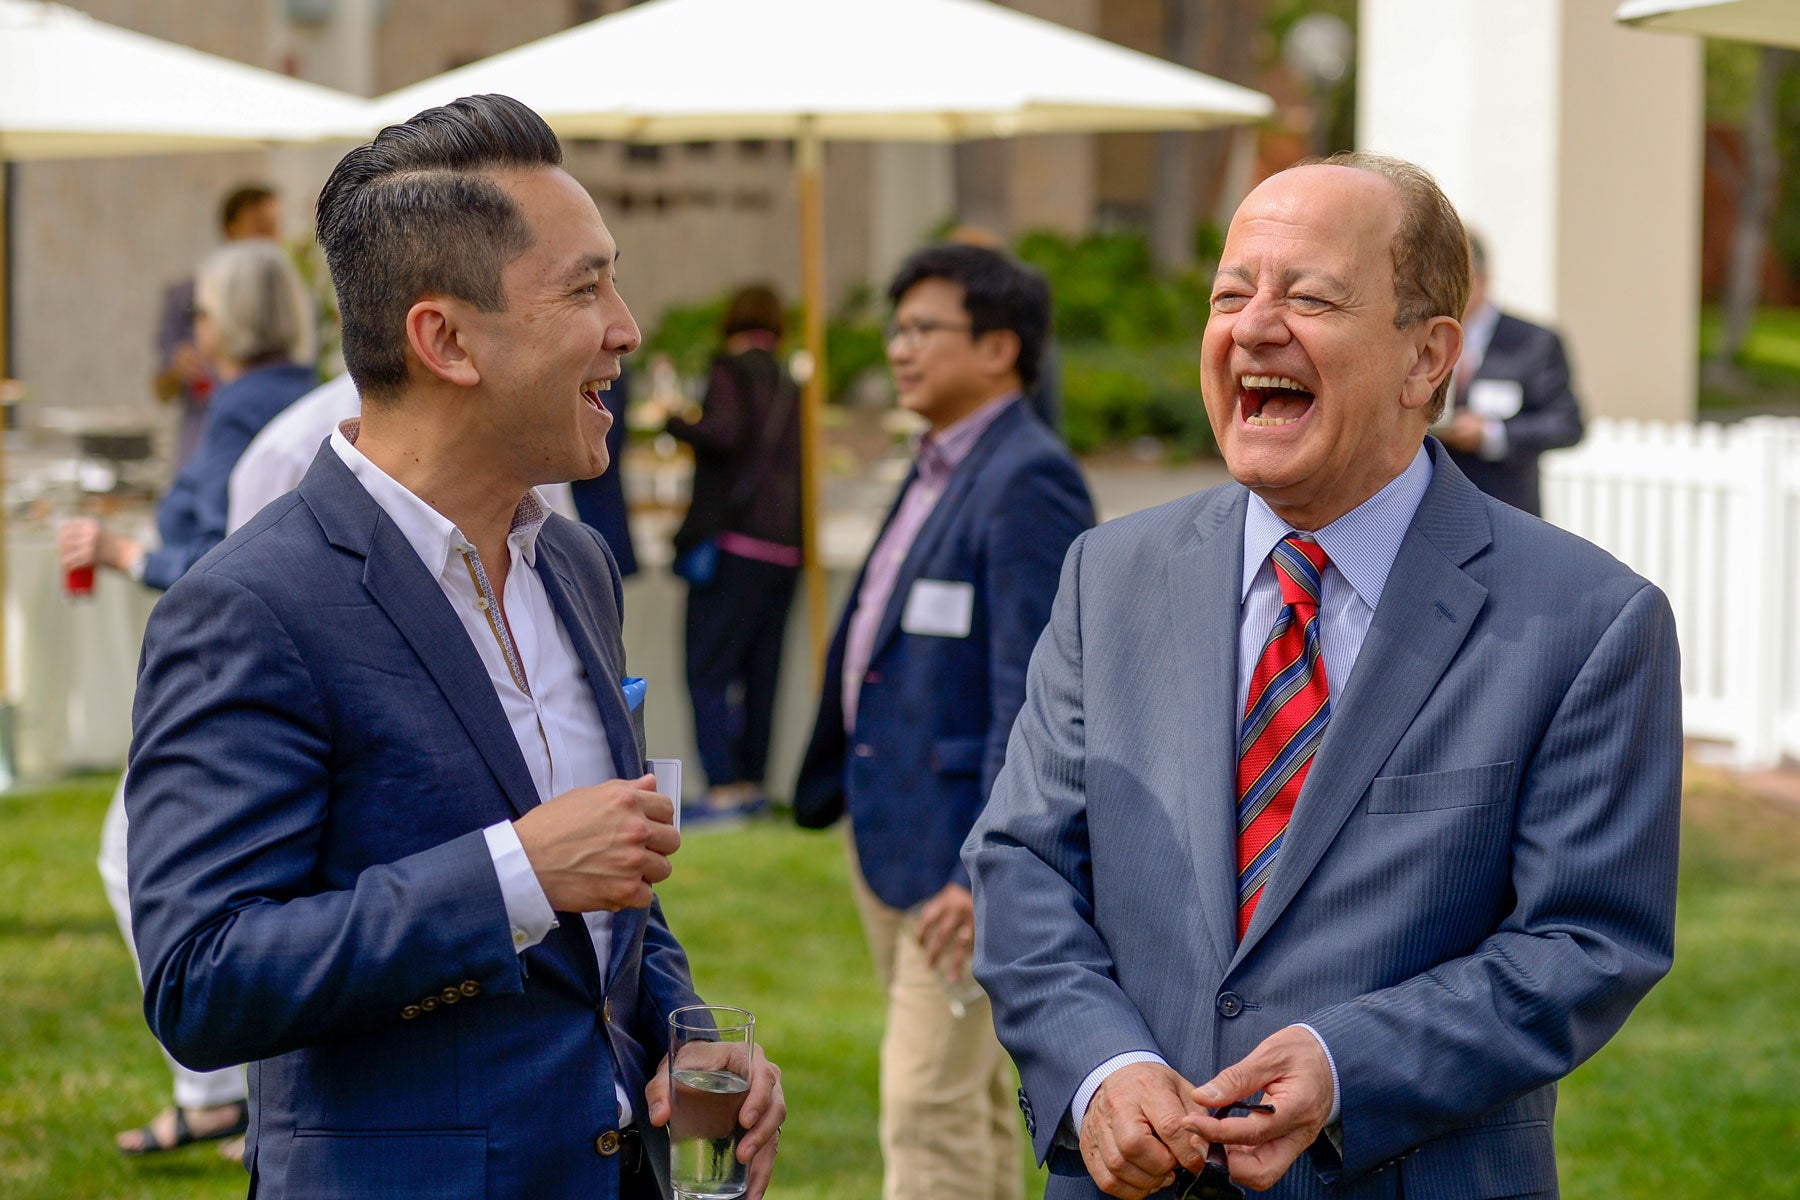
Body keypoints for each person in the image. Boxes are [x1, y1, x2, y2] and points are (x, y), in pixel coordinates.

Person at [964, 154, 1682, 1200]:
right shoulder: (1106, 575)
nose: (1254, 327)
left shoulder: (1586, 621)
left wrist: (1349, 1064)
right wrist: (1103, 1067)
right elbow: (1023, 864)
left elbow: (1585, 941)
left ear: (1427, 357)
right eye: (1229, 293)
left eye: (1308, 296)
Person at [123, 94, 784, 1199]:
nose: (627, 327)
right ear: (445, 339)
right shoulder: (248, 606)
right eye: (585, 287)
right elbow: (202, 981)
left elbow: (608, 889)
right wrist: (515, 871)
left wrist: (684, 1030)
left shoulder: (575, 567)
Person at [794, 243, 1095, 1200]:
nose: (899, 348)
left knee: (922, 1104)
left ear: (1001, 347)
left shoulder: (1026, 479)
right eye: (898, 327)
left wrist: (987, 865)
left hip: (959, 859)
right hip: (891, 831)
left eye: (925, 328)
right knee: (959, 1104)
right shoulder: (938, 462)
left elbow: (1037, 689)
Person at [58, 237, 318, 1158]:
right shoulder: (314, 394)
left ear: (226, 323)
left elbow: (224, 559)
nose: (196, 332)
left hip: (228, 673)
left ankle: (218, 1091)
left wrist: (128, 552)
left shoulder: (242, 412)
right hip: (301, 664)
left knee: (135, 855)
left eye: (203, 315)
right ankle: (246, 1091)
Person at [665, 285, 802, 818]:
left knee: (706, 668)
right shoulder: (793, 383)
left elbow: (723, 432)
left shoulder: (729, 369)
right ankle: (753, 786)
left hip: (735, 543)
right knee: (762, 673)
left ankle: (722, 789)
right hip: (785, 550)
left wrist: (675, 421)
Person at [1435, 231, 1584, 516]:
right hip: (1436, 509)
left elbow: (1566, 424)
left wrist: (1491, 434)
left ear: (1482, 279)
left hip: (1505, 508)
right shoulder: (1422, 340)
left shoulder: (1534, 341)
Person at [153, 184, 282, 469]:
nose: (268, 240)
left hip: (264, 443)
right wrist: (177, 370)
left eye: (273, 228)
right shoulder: (189, 295)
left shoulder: (285, 303)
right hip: (202, 447)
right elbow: (161, 388)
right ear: (230, 228)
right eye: (259, 227)